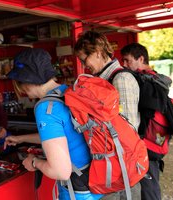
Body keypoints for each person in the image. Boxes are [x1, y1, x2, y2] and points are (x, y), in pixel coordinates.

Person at [6, 48, 103, 200]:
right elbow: (63, 136)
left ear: (26, 80)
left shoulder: (46, 107)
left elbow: (60, 171)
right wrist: (21, 138)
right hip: (96, 180)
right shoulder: (67, 91)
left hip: (77, 191)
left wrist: (34, 162)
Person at [74, 31, 141, 199]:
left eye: (84, 59)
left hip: (122, 166)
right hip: (110, 163)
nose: (83, 64)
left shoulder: (120, 79)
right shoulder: (99, 80)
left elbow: (128, 127)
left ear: (97, 52)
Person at [121, 42, 169, 200]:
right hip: (154, 143)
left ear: (141, 59)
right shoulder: (155, 79)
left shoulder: (145, 82)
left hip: (147, 145)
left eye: (128, 60)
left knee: (148, 190)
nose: (124, 64)